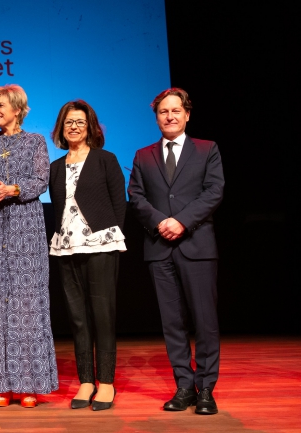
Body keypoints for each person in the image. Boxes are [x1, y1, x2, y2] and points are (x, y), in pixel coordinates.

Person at [127, 88, 224, 415]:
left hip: (196, 245)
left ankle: (206, 389)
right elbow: (137, 197)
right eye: (163, 112)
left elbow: (214, 192)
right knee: (172, 323)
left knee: (204, 320)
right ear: (156, 117)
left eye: (175, 111)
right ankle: (184, 386)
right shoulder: (143, 155)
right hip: (159, 248)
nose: (169, 116)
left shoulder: (207, 149)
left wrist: (181, 222)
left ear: (186, 114)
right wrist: (160, 223)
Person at [0, 84, 58, 408]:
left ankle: (29, 383)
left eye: (0, 105)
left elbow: (41, 180)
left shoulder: (35, 142)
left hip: (26, 230)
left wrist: (13, 189)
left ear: (18, 109)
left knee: (26, 307)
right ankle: (0, 384)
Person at [48, 100, 126, 411]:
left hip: (101, 247)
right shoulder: (55, 167)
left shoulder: (106, 160)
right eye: (68, 122)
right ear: (61, 129)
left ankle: (106, 382)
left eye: (80, 121)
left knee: (103, 316)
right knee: (78, 319)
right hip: (67, 248)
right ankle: (86, 381)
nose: (74, 127)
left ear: (90, 126)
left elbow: (119, 204)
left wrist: (108, 236)